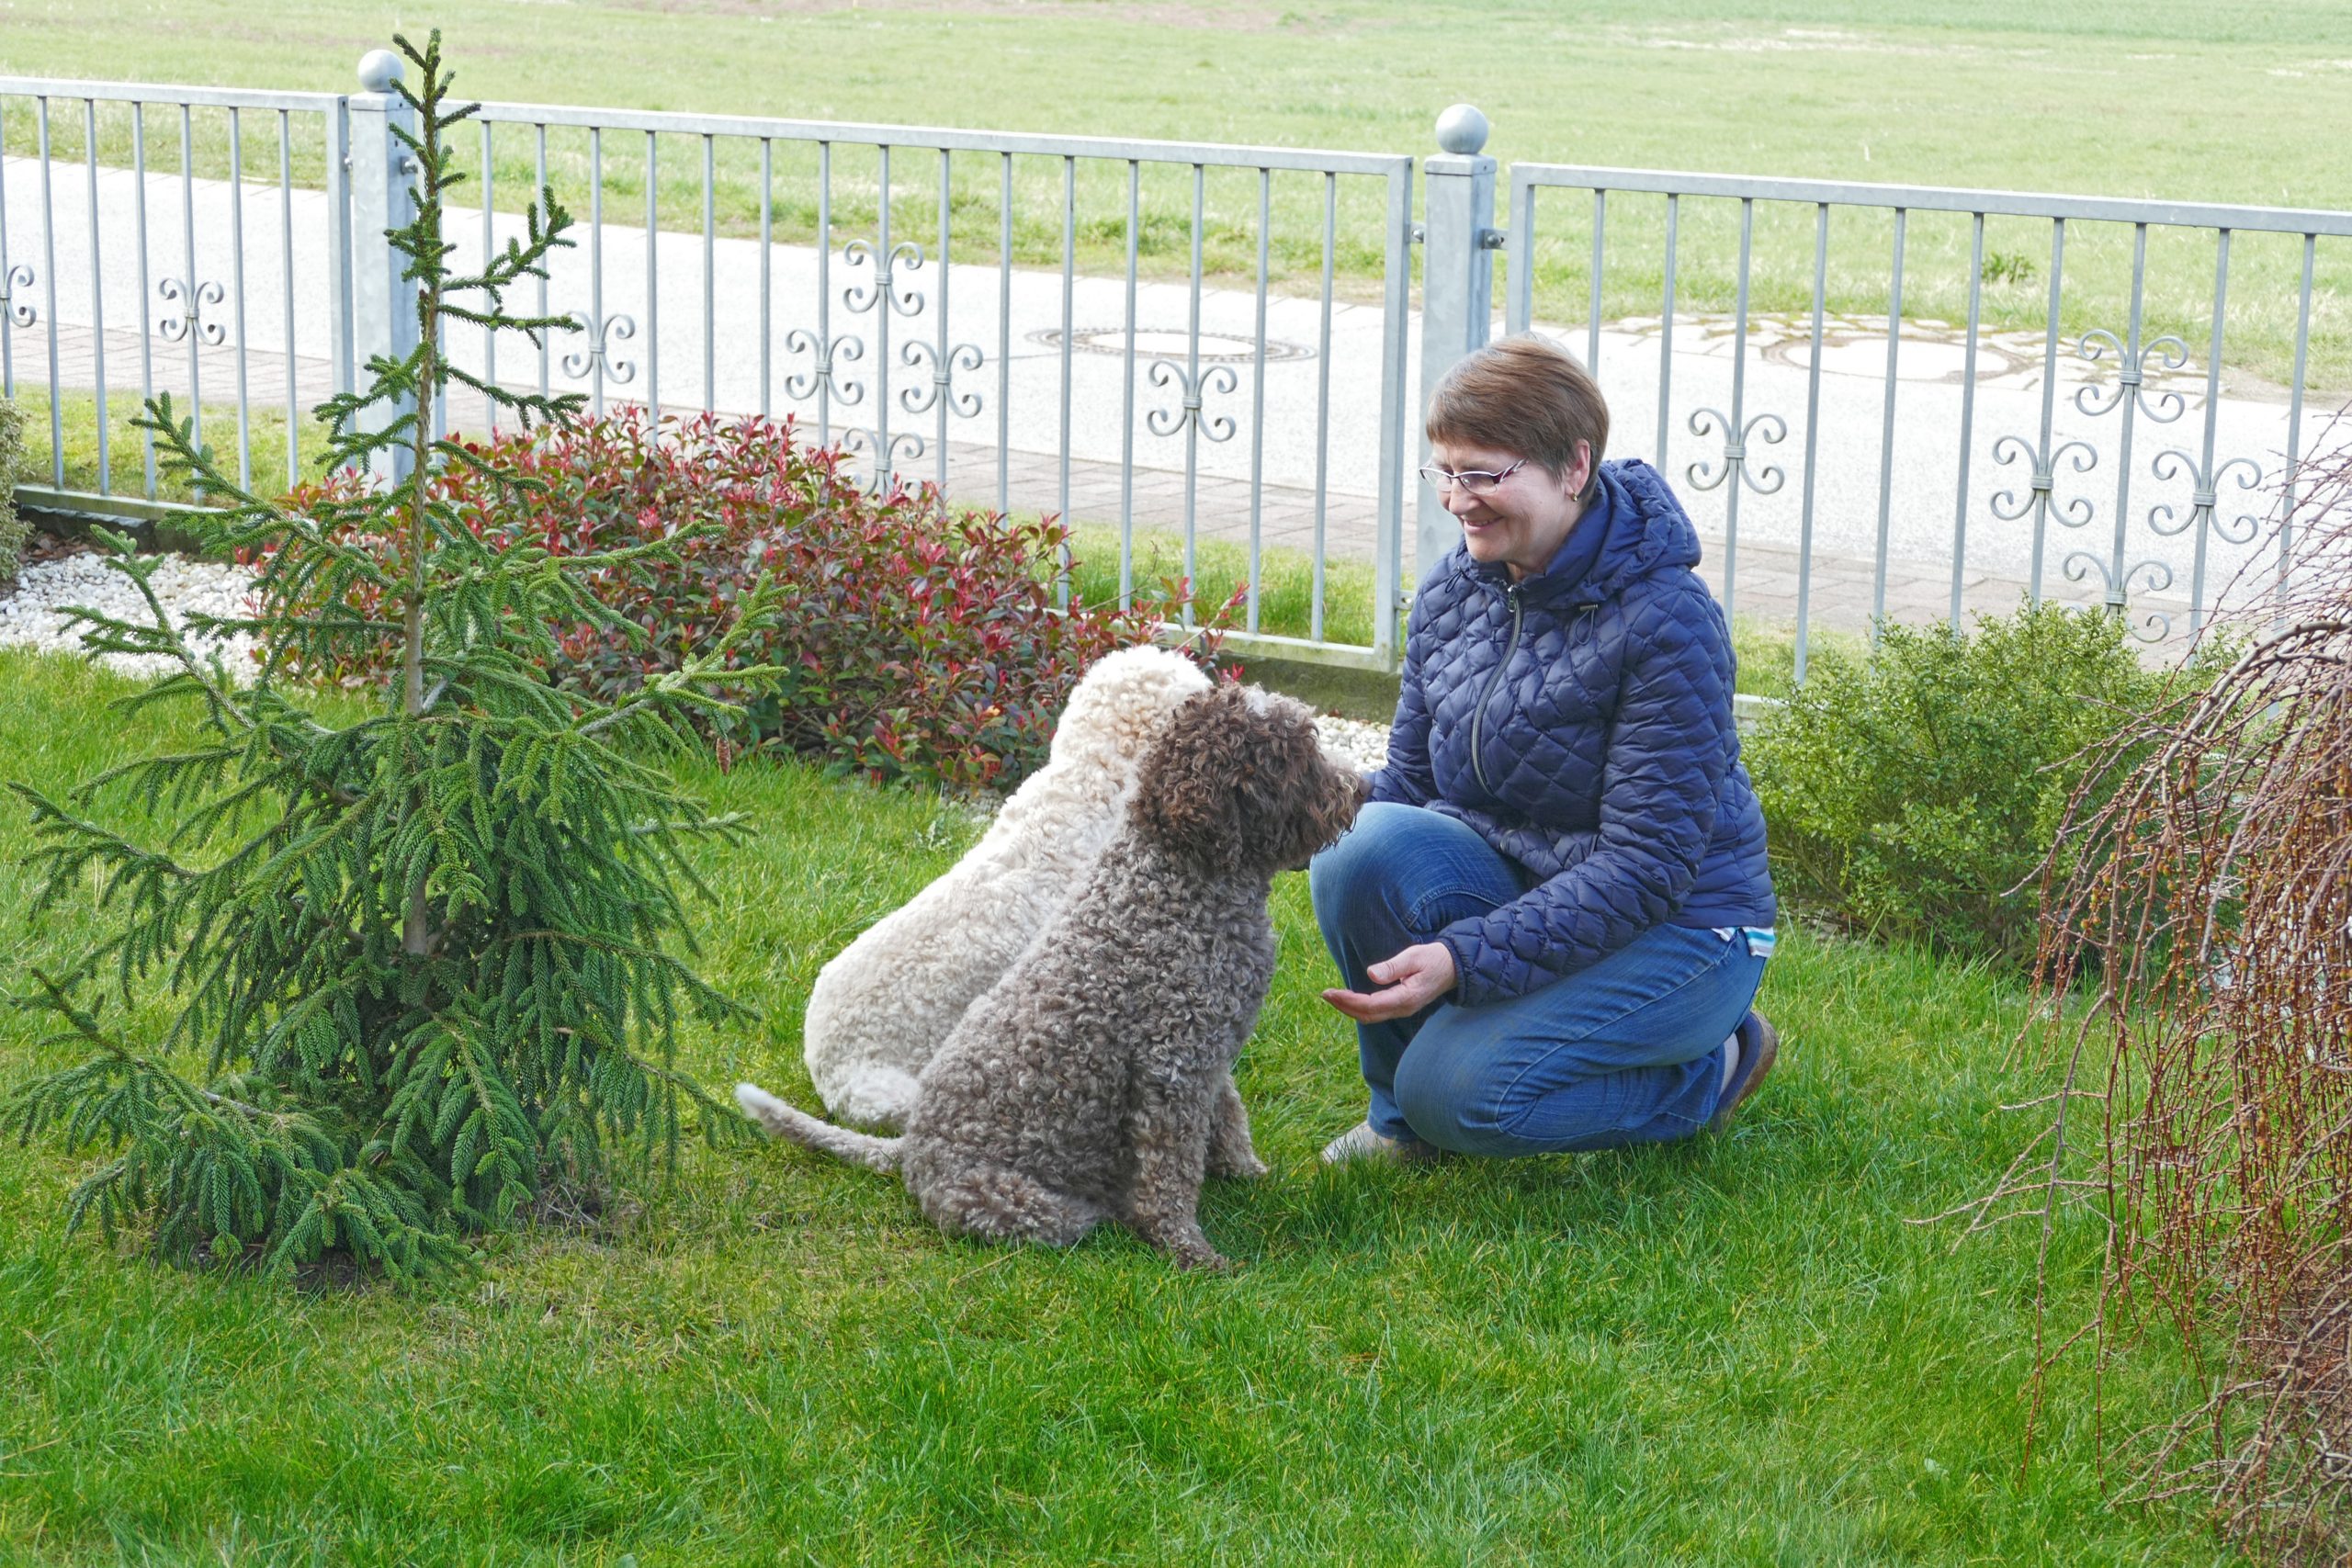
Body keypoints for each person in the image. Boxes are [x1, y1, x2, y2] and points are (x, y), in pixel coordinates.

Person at [1311, 334, 1780, 1164]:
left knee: (1460, 1094)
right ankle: (1402, 1125)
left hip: (1684, 927)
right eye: (1446, 472)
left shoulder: (1668, 620)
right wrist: (1279, 818)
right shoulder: (1453, 590)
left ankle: (1713, 1067)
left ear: (1573, 467)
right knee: (1357, 847)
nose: (1458, 501)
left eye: (1485, 474)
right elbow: (1410, 784)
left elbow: (1647, 867)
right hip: (1533, 883)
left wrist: (1465, 956)